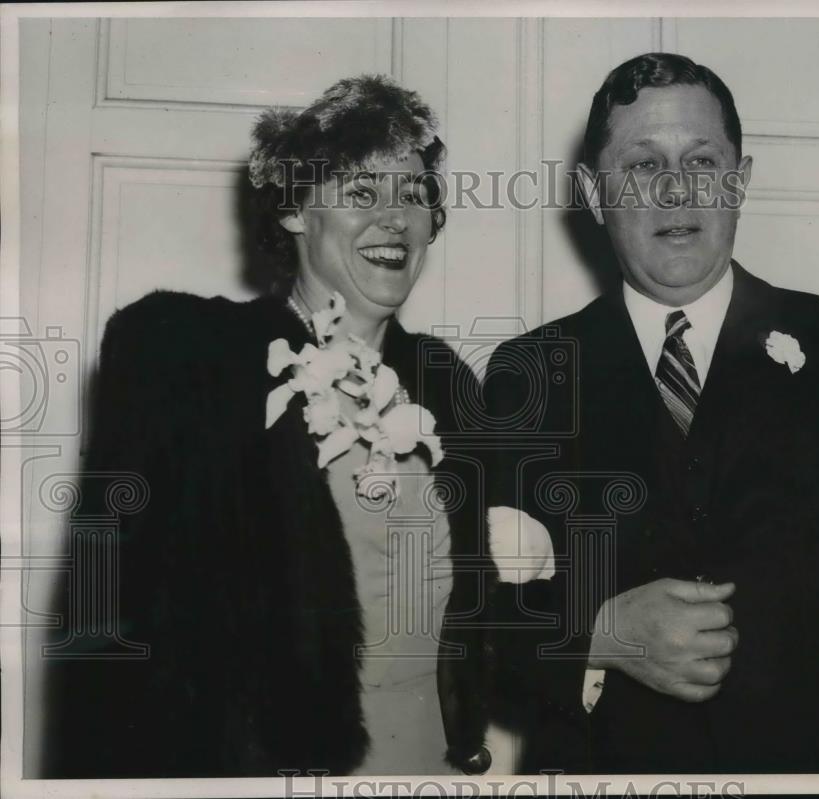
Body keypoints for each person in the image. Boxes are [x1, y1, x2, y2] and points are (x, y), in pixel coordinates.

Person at [485, 53, 819, 774]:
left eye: (703, 159)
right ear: (595, 195)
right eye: (643, 164)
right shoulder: (527, 372)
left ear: (739, 182)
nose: (678, 189)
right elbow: (467, 628)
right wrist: (600, 630)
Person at [44, 75, 490, 777]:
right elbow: (103, 629)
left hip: (430, 762)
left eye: (412, 194)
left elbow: (485, 613)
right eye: (362, 192)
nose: (396, 218)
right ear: (293, 212)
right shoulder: (190, 356)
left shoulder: (448, 382)